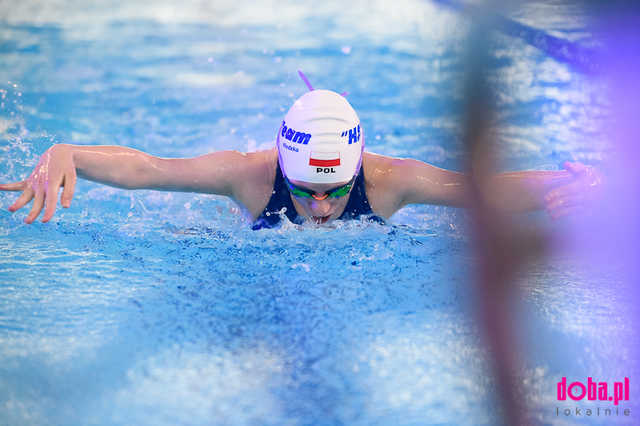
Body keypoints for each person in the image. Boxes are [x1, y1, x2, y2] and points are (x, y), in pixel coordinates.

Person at [0, 81, 601, 229]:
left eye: (336, 190)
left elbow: (477, 188)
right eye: (304, 189)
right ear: (281, 170)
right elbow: (152, 170)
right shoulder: (251, 177)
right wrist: (67, 150)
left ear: (358, 172)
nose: (319, 206)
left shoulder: (387, 181)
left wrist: (581, 188)